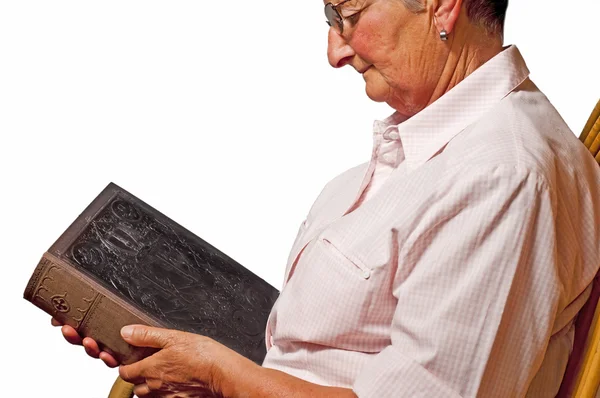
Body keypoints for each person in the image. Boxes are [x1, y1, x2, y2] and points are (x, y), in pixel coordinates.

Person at [53, 0, 600, 396]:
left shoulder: (499, 176)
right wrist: (177, 356)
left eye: (349, 16)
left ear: (441, 7)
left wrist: (219, 375)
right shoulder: (430, 150)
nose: (335, 52)